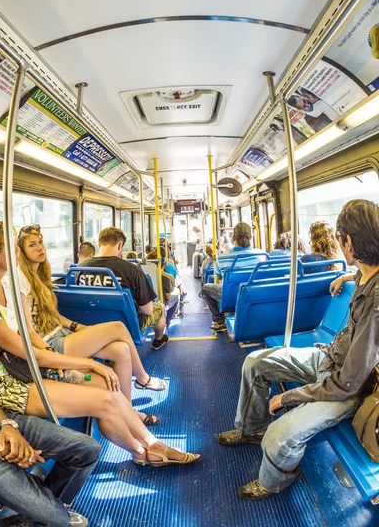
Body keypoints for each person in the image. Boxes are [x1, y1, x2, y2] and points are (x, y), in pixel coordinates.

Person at [0, 219, 200, 468]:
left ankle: (152, 446)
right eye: (13, 245)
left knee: (110, 388)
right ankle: (143, 451)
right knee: (104, 401)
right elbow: (29, 354)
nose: (17, 250)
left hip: (26, 367)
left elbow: (27, 334)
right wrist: (86, 364)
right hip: (8, 383)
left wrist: (56, 352)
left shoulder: (5, 286)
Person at [217, 199, 379, 500]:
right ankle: (252, 429)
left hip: (348, 388)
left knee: (280, 437)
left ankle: (275, 480)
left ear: (350, 242)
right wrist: (346, 275)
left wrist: (288, 396)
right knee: (255, 362)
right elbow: (362, 282)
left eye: (341, 240)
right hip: (330, 358)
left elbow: (348, 382)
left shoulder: (377, 300)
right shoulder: (366, 272)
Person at [17, 225, 168, 426]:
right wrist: (50, 354)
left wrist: (78, 327)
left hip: (60, 333)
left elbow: (55, 316)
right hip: (49, 343)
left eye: (41, 242)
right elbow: (26, 329)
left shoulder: (56, 275)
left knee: (122, 350)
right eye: (32, 245)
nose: (40, 248)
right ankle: (142, 378)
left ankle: (129, 410)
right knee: (118, 328)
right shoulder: (20, 279)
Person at [0, 383, 99, 526]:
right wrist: (0, 448)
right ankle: (47, 510)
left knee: (88, 449)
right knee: (59, 519)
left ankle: (50, 503)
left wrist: (7, 424)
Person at [78, 227, 168, 351]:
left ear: (100, 244)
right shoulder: (131, 270)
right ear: (120, 245)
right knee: (160, 307)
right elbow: (147, 310)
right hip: (125, 325)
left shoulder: (79, 269)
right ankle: (159, 340)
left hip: (88, 323)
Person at [202, 223, 264, 332]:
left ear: (233, 237)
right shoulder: (262, 256)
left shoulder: (222, 259)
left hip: (232, 297)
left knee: (206, 288)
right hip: (256, 295)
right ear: (251, 237)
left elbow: (219, 278)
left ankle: (219, 321)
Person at [147, 251, 181, 326]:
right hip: (160, 304)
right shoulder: (165, 277)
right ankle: (167, 322)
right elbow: (168, 296)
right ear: (162, 265)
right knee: (175, 298)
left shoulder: (143, 276)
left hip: (145, 304)